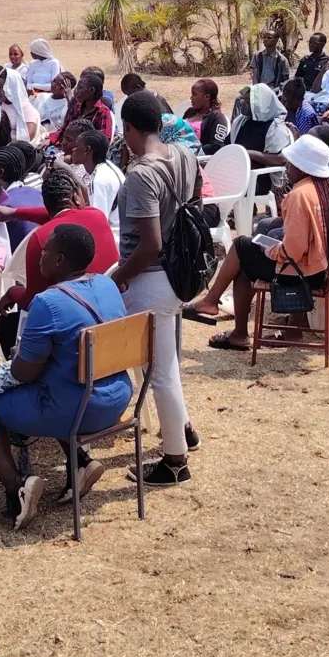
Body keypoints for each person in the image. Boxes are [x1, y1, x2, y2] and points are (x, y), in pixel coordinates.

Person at [0, 221, 135, 528]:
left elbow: (24, 372)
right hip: (118, 398)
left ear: (59, 261)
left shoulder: (47, 302)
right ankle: (81, 463)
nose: (40, 256)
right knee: (59, 380)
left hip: (77, 409)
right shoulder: (108, 285)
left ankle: (17, 486)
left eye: (45, 251)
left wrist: (12, 364)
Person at [183, 132, 329, 350]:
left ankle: (218, 310)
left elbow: (293, 250)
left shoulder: (300, 195)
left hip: (300, 272)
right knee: (244, 262)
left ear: (303, 167)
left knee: (241, 246)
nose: (286, 168)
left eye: (290, 163)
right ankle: (269, 329)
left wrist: (273, 251)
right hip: (325, 268)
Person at [107, 90, 199, 485]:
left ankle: (175, 461)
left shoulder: (141, 174)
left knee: (159, 372)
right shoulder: (185, 155)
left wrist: (118, 278)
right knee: (163, 365)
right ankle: (184, 427)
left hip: (151, 278)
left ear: (128, 127)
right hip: (179, 276)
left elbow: (150, 245)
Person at [0, 164, 119, 347]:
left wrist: (13, 292)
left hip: (73, 324)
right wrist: (16, 213)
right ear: (76, 197)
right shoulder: (97, 216)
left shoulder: (42, 238)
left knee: (6, 325)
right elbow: (62, 215)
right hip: (110, 312)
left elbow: (33, 301)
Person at [49, 71, 112, 154]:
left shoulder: (102, 112)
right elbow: (64, 128)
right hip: (63, 149)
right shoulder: (77, 107)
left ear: (91, 90)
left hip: (83, 155)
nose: (76, 91)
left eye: (80, 88)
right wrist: (50, 140)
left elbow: (104, 140)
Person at [231, 82, 294, 165]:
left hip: (259, 174)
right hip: (235, 166)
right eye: (243, 100)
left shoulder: (275, 127)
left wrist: (248, 153)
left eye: (247, 102)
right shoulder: (242, 121)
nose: (242, 104)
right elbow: (227, 145)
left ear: (260, 105)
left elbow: (281, 159)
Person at [66, 128, 122, 220]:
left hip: (113, 232)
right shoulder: (107, 168)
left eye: (76, 146)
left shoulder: (99, 179)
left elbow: (97, 220)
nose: (73, 150)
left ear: (87, 150)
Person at [179, 78, 231, 155]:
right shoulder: (190, 112)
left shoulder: (217, 117)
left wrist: (192, 153)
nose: (191, 98)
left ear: (207, 97)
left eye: (194, 94)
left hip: (197, 160)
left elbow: (216, 146)